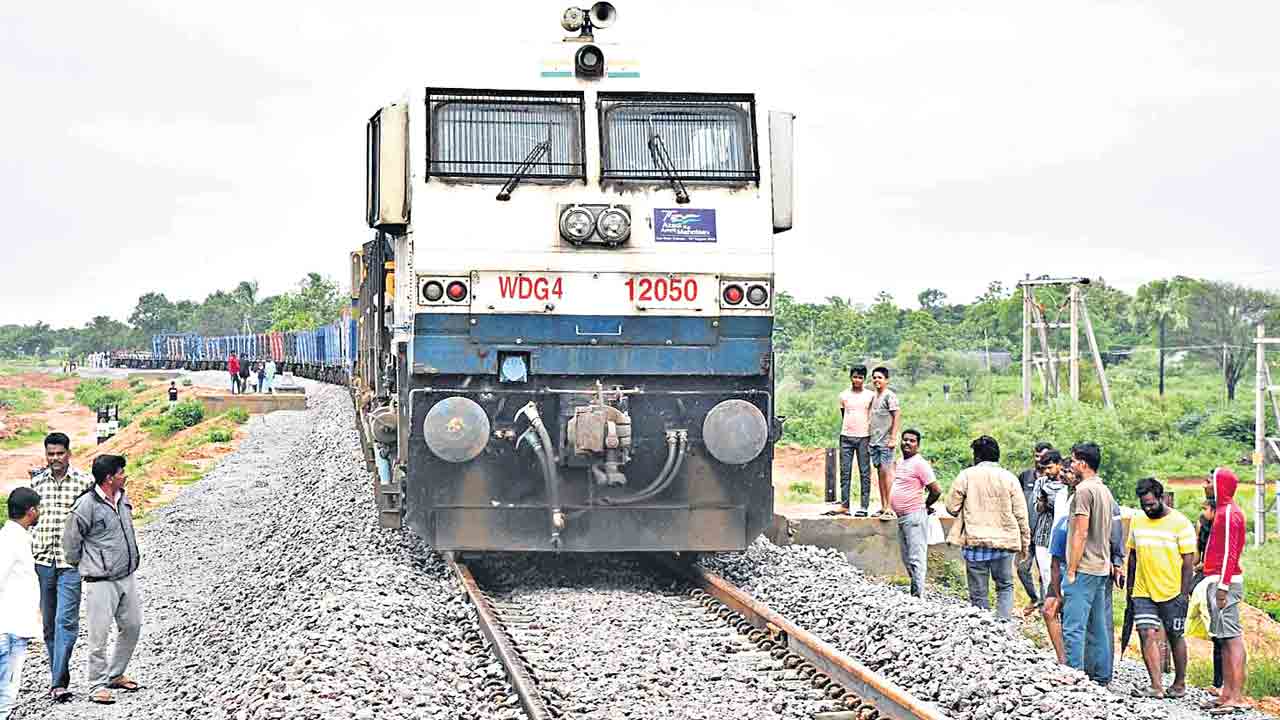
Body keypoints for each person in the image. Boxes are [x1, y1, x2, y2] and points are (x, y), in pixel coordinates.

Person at [63, 454, 143, 705]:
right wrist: (88, 565)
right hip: (100, 581)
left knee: (132, 626)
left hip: (126, 576)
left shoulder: (123, 498)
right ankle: (96, 685)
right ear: (109, 478)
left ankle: (115, 674)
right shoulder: (85, 506)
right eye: (121, 472)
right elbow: (70, 545)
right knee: (98, 636)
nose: (124, 476)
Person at [29, 432, 95, 702]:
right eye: (51, 454)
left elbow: (92, 521)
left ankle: (59, 682)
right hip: (42, 562)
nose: (55, 459)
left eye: (60, 453)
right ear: (46, 454)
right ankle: (57, 675)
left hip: (70, 564)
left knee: (65, 621)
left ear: (69, 453)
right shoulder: (36, 483)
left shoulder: (84, 482)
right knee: (48, 624)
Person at [945, 435, 1030, 619]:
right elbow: (1021, 515)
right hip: (1004, 544)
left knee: (978, 593)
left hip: (975, 543)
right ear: (997, 456)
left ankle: (983, 629)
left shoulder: (966, 475)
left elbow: (951, 507)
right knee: (1005, 586)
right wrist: (1025, 544)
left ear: (976, 456)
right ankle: (1003, 625)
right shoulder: (1009, 478)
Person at [1127, 478, 1195, 699]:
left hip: (1172, 591)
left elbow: (1188, 561)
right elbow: (1133, 556)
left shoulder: (1180, 523)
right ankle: (1156, 686)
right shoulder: (1137, 521)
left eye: (1151, 504)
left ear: (1161, 498)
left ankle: (1179, 683)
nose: (1148, 508)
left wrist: (1183, 595)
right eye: (1144, 504)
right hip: (1143, 590)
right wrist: (1130, 588)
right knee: (1146, 633)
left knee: (1175, 635)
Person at [1061, 441, 1116, 686]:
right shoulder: (1103, 489)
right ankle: (1102, 677)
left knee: (1073, 627)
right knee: (1098, 627)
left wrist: (1071, 570)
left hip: (1084, 567)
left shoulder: (1083, 491)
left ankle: (1074, 677)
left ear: (1082, 463)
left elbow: (1080, 532)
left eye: (1073, 461)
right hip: (1101, 567)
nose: (1071, 465)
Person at [1201, 467, 1248, 714]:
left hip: (1224, 583)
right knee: (1224, 641)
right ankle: (1226, 693)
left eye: (1209, 481)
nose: (1205, 485)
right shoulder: (1222, 511)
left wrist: (1222, 587)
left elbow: (1232, 552)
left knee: (1232, 640)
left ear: (1220, 485)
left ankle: (1236, 696)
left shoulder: (1229, 513)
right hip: (1218, 580)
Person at [1, 488, 43, 719]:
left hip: (15, 625)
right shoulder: (10, 540)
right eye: (39, 509)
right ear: (31, 511)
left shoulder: (18, 537)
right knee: (6, 688)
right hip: (8, 627)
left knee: (8, 686)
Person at [889, 429, 942, 597]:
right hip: (903, 518)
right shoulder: (901, 462)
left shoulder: (920, 464)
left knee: (916, 558)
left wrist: (925, 506)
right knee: (906, 558)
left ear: (917, 445)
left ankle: (918, 596)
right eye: (905, 440)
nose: (907, 443)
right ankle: (914, 590)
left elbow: (936, 490)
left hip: (915, 516)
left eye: (912, 441)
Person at [1016, 442, 1053, 612]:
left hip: (1045, 536)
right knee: (1022, 569)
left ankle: (1045, 607)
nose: (1039, 460)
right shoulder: (1025, 476)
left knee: (1045, 574)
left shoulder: (1054, 481)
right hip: (1027, 534)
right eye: (1036, 456)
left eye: (1043, 457)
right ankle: (1035, 598)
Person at [1194, 498, 1226, 695]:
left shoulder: (1224, 527)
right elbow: (1198, 554)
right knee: (1217, 635)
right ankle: (1218, 683)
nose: (1203, 512)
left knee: (1220, 635)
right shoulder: (1203, 524)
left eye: (1205, 508)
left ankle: (1221, 683)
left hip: (1217, 580)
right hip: (1207, 578)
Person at [836, 365, 875, 516]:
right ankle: (845, 505)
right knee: (845, 472)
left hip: (864, 437)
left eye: (860, 377)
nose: (857, 380)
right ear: (850, 377)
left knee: (864, 473)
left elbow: (872, 415)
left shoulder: (870, 396)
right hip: (846, 437)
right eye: (854, 377)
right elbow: (844, 414)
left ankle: (864, 506)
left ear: (864, 379)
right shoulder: (843, 395)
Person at [868, 366, 901, 520]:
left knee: (887, 473)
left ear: (886, 380)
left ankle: (890, 507)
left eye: (879, 377)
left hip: (886, 442)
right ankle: (883, 506)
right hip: (874, 441)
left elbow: (896, 416)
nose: (876, 380)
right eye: (874, 377)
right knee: (880, 474)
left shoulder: (890, 396)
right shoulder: (874, 397)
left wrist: (893, 438)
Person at [1044, 514, 1071, 663]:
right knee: (1049, 610)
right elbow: (1054, 563)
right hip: (1062, 574)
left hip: (1085, 575)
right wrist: (1057, 593)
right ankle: (1063, 660)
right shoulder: (1063, 526)